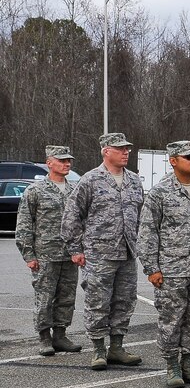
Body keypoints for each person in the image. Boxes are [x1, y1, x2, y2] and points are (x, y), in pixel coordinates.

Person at [138, 141, 190, 388]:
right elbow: (147, 232)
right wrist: (152, 267)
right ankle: (172, 365)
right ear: (173, 160)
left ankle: (189, 364)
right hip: (172, 269)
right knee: (172, 319)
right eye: (189, 157)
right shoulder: (160, 193)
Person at [61, 133, 143, 370]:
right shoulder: (91, 180)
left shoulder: (135, 181)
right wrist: (75, 248)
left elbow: (140, 216)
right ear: (106, 151)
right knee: (98, 303)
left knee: (124, 301)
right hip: (99, 254)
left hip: (127, 253)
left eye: (127, 149)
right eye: (120, 149)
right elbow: (72, 214)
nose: (126, 152)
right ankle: (98, 349)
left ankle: (117, 347)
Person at [15, 145, 82, 356]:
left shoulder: (75, 190)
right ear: (49, 163)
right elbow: (24, 224)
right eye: (62, 161)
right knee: (45, 298)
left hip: (69, 254)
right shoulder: (35, 190)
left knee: (66, 297)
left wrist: (81, 249)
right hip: (45, 254)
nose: (67, 164)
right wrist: (29, 255)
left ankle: (60, 335)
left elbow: (81, 222)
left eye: (68, 160)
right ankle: (45, 337)